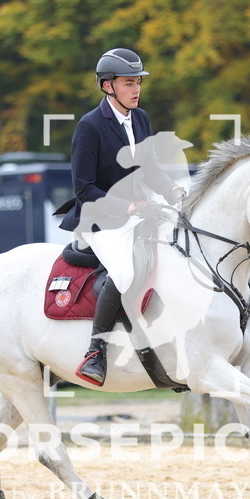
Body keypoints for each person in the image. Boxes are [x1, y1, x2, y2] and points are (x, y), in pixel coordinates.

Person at [58, 48, 186, 386]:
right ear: (107, 86)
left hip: (139, 212)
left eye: (138, 82)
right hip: (100, 218)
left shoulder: (140, 118)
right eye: (129, 83)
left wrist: (174, 192)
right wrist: (126, 207)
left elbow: (152, 169)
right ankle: (95, 352)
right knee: (126, 271)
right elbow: (84, 189)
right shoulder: (89, 126)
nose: (136, 89)